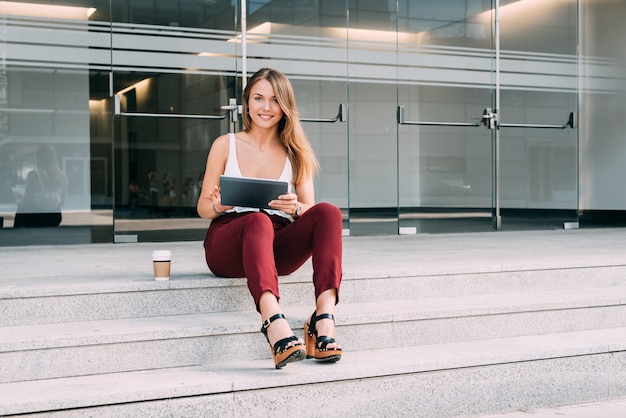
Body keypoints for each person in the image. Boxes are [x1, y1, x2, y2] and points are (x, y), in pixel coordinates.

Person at [197, 68, 343, 369]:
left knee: (328, 212)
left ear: (285, 105)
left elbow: (310, 208)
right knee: (257, 220)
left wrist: (296, 209)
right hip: (229, 240)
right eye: (259, 98)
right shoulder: (226, 144)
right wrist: (221, 205)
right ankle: (273, 321)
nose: (266, 107)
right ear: (247, 103)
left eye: (275, 100)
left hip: (275, 244)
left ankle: (323, 319)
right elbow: (202, 208)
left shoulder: (296, 152)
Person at [14, 144, 67, 228]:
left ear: (39, 158)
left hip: (35, 216)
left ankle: (15, 237)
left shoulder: (33, 174)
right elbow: (62, 202)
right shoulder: (61, 176)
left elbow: (26, 199)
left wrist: (20, 198)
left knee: (20, 208)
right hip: (54, 217)